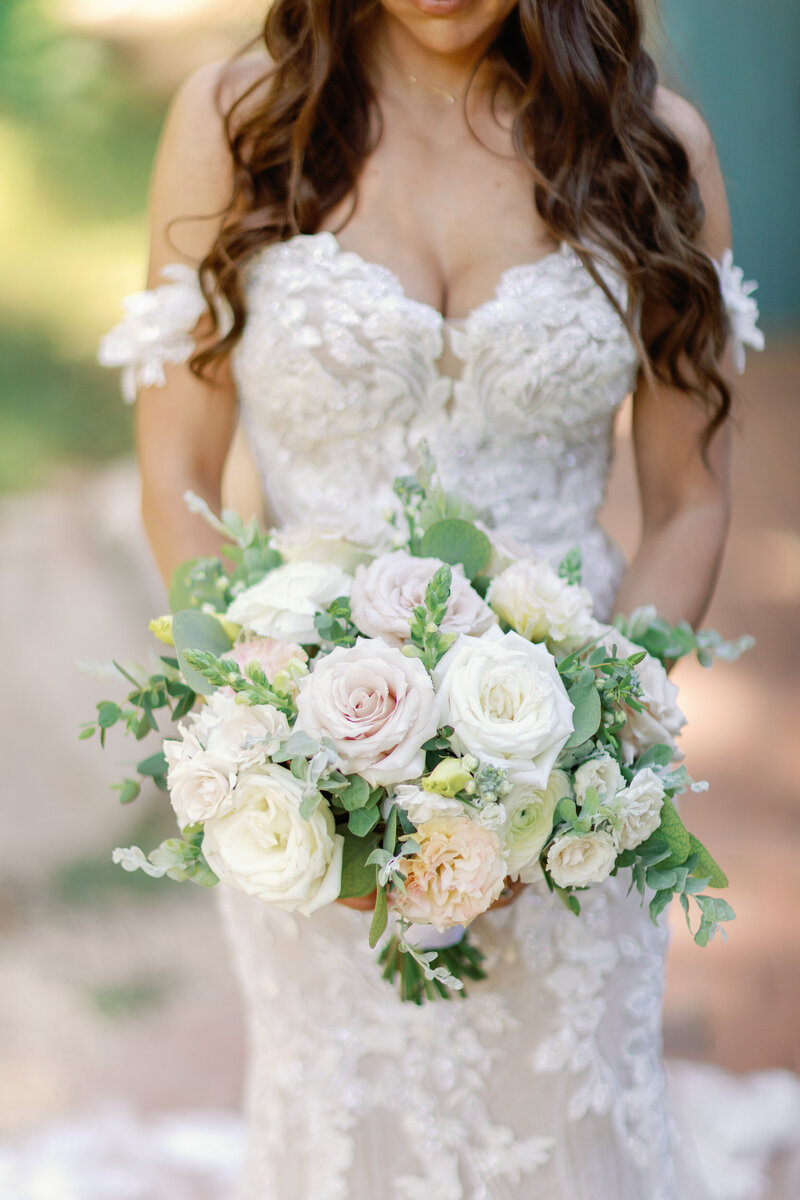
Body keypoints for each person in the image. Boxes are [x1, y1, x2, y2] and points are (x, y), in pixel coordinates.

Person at [98, 0, 777, 1197]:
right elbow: (176, 474)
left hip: (574, 763)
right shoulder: (238, 119)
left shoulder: (648, 147)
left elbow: (687, 502)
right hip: (312, 769)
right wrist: (275, 733)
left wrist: (580, 758)